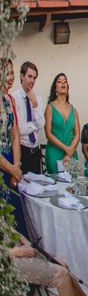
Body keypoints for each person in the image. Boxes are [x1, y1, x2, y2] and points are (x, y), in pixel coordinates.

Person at [9, 232, 85, 296]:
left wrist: (26, 243)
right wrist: (16, 251)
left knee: (62, 265)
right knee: (61, 274)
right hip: (7, 259)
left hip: (14, 246)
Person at [1, 58, 26, 235]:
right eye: (6, 73)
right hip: (2, 163)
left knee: (15, 211)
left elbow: (15, 134)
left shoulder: (10, 99)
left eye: (12, 73)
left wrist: (16, 167)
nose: (10, 77)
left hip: (11, 161)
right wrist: (10, 168)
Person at [12, 61, 44, 174]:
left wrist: (35, 104)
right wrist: (34, 125)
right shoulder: (14, 98)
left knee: (37, 187)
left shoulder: (37, 99)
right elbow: (19, 129)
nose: (32, 80)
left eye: (34, 78)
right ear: (22, 76)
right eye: (29, 76)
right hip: (22, 151)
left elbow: (41, 125)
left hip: (36, 151)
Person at [44, 73, 80, 174]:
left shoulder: (74, 110)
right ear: (55, 88)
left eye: (65, 81)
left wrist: (69, 152)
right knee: (56, 184)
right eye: (59, 82)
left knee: (72, 185)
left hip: (71, 153)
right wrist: (66, 148)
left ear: (68, 87)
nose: (63, 83)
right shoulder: (50, 107)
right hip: (54, 151)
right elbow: (48, 133)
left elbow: (77, 134)